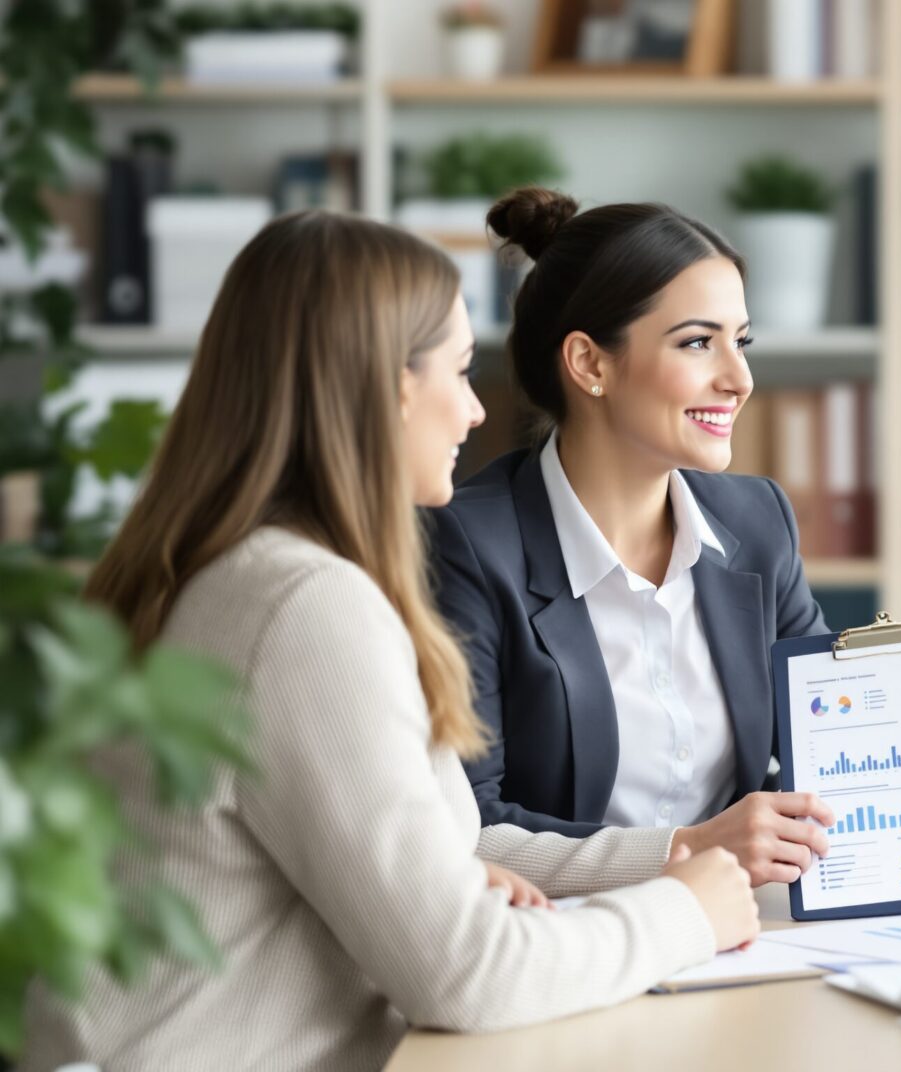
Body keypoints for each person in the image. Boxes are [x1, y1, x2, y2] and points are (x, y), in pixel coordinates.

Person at [26, 211, 757, 1071]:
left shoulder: (243, 571)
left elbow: (449, 843)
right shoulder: (303, 608)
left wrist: (678, 854)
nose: (477, 410)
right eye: (461, 370)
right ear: (386, 387)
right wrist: (684, 913)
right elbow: (469, 975)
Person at [426, 189, 835, 888]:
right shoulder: (465, 545)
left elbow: (833, 744)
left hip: (738, 927)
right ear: (590, 364)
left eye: (741, 341)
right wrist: (690, 848)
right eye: (698, 342)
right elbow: (463, 825)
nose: (739, 380)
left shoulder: (757, 521)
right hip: (564, 934)